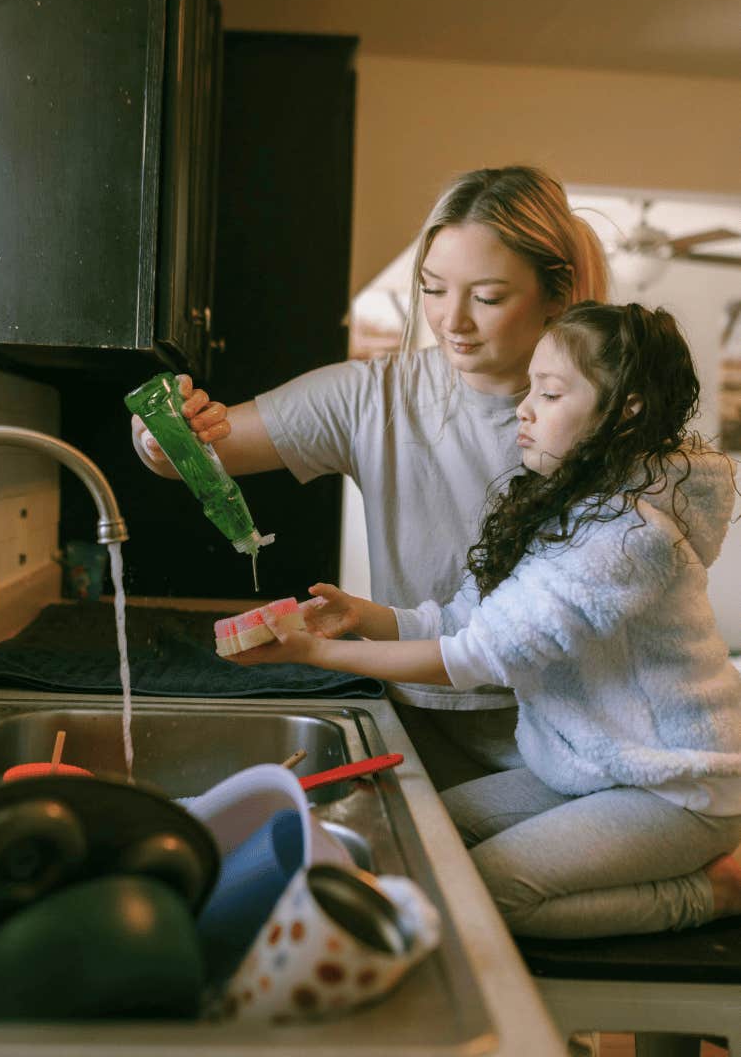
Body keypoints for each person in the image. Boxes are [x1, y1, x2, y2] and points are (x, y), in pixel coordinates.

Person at [217, 302, 741, 939]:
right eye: (530, 390)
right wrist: (364, 617)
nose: (524, 409)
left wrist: (314, 653)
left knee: (486, 896)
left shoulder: (629, 537)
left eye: (549, 394)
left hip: (677, 786)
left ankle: (712, 890)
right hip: (596, 769)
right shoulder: (565, 508)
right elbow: (465, 618)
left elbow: (478, 657)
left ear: (625, 408)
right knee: (429, 833)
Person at [132, 165, 608, 788]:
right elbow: (184, 457)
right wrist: (163, 432)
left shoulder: (603, 414)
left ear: (556, 293)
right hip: (414, 711)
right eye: (433, 289)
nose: (452, 321)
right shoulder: (372, 397)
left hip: (568, 720)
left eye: (487, 297)